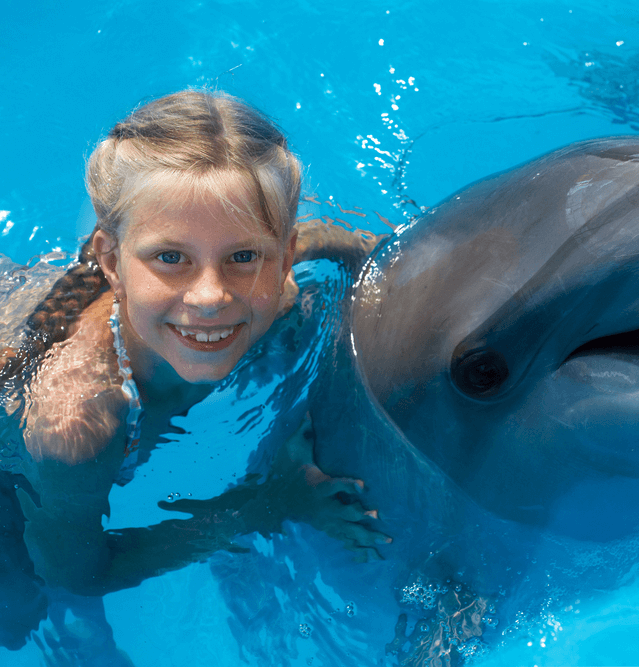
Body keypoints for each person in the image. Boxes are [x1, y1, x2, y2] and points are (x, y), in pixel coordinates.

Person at [1, 90, 385, 603]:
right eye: (170, 257)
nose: (210, 297)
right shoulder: (78, 429)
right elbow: (80, 575)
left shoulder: (292, 273)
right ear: (111, 263)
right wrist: (269, 502)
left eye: (243, 255)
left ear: (284, 253)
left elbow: (350, 243)